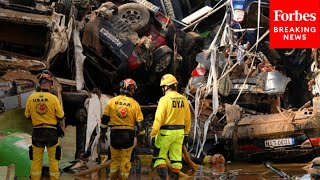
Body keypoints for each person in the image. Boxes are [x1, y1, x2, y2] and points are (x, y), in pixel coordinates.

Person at [100, 78, 144, 179]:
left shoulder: (112, 102)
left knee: (114, 160)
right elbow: (140, 124)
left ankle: (112, 177)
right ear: (132, 90)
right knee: (125, 160)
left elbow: (104, 120)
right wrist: (141, 138)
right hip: (128, 135)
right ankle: (123, 177)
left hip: (115, 134)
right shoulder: (135, 104)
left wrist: (102, 133)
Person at [150, 74, 191, 180]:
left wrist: (153, 134)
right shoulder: (184, 99)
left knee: (159, 157)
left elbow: (158, 119)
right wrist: (186, 133)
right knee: (176, 160)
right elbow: (188, 119)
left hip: (165, 133)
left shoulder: (164, 100)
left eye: (163, 87)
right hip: (179, 133)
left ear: (166, 86)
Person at [25, 72, 65, 180]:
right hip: (51, 132)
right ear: (50, 84)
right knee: (53, 160)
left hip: (37, 132)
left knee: (36, 161)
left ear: (40, 84)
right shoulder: (53, 98)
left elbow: (27, 116)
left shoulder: (31, 97)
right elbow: (61, 116)